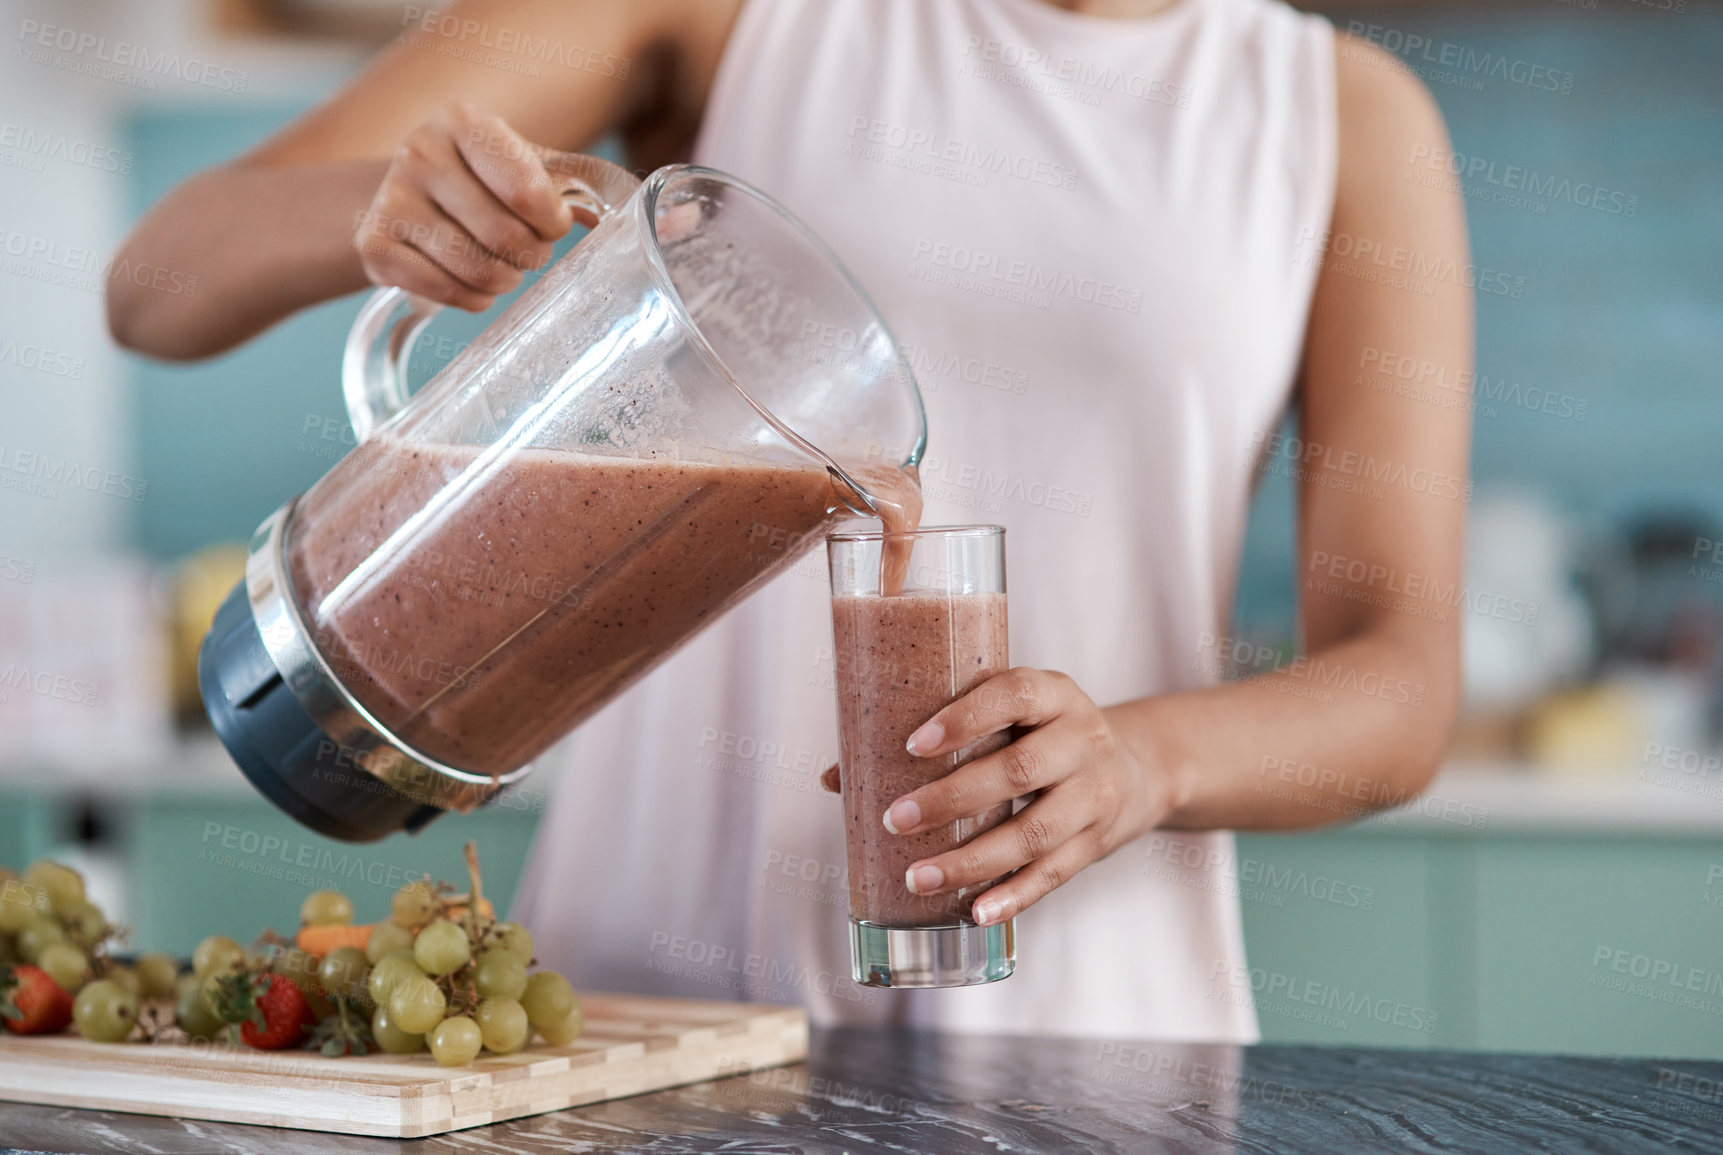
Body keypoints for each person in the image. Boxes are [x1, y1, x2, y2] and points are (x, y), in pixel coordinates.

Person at [111, 0, 1471, 1040]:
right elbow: (158, 280)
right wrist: (389, 209)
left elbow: (1402, 689)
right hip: (646, 1016)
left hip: (1099, 1040)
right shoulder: (741, 18)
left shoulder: (1341, 116)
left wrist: (1144, 762)